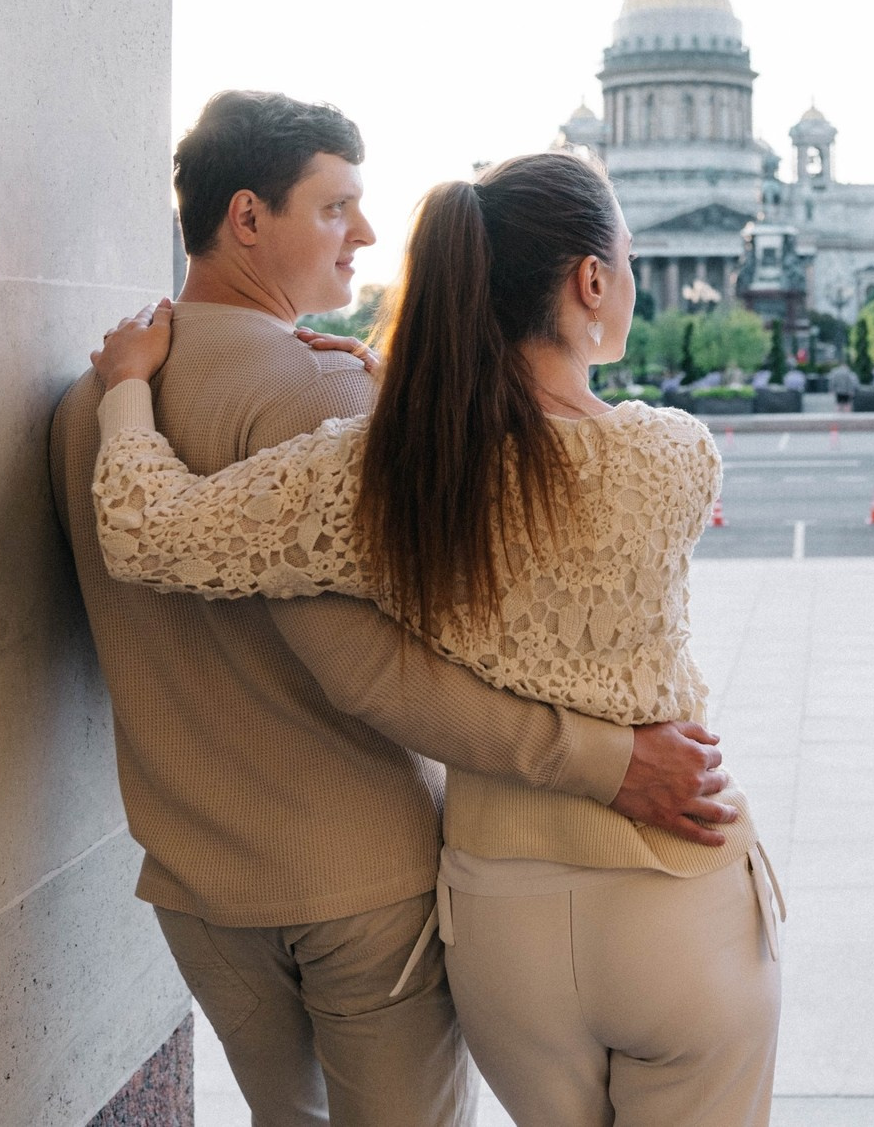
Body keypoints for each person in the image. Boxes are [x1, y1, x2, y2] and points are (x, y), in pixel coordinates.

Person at [47, 95, 733, 1127]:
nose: (364, 233)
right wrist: (609, 759)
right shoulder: (329, 398)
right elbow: (374, 670)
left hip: (194, 877)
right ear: (247, 216)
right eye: (336, 207)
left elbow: (140, 577)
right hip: (360, 876)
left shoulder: (95, 402)